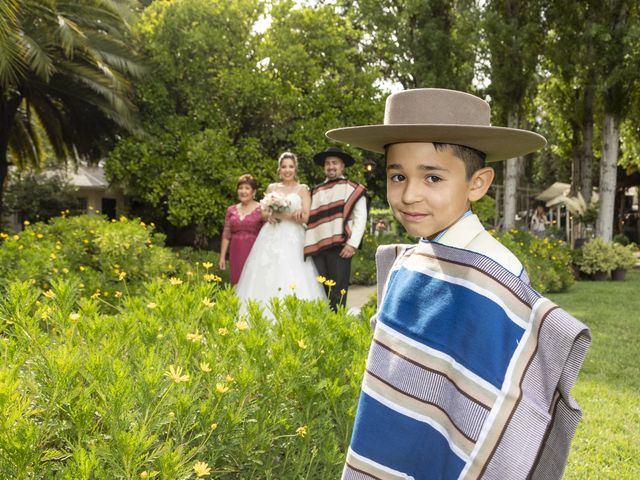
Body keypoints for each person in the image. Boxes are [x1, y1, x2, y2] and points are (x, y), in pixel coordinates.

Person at [326, 88, 591, 479]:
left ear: (478, 183)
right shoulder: (409, 262)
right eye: (397, 176)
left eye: (432, 177)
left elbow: (498, 405)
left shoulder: (496, 277)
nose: (409, 194)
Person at [235, 152, 325, 313]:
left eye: (290, 166)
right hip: (270, 235)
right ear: (279, 169)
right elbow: (263, 213)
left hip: (294, 238)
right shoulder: (272, 188)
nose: (287, 170)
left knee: (293, 272)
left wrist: (282, 215)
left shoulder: (303, 189)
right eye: (284, 167)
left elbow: (306, 217)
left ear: (295, 169)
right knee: (265, 272)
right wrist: (270, 214)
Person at [303, 146, 368, 310]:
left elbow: (361, 217)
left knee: (338, 291)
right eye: (328, 163)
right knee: (320, 290)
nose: (331, 166)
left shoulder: (352, 188)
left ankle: (337, 327)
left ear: (342, 166)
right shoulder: (315, 191)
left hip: (341, 247)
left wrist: (352, 244)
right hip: (318, 247)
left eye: (335, 163)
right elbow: (310, 219)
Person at [219, 174, 264, 284]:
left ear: (253, 192)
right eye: (240, 188)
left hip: (254, 251)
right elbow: (226, 234)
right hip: (236, 251)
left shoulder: (262, 209)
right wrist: (222, 257)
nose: (243, 191)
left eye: (247, 188)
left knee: (252, 283)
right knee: (236, 282)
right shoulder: (231, 210)